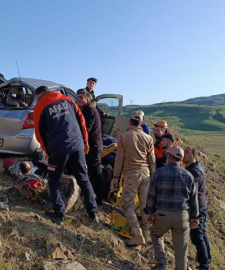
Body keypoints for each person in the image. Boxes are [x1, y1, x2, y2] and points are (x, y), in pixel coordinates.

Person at [33, 86, 98, 225]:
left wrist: (47, 151)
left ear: (38, 95)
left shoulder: (39, 107)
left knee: (54, 179)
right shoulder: (67, 99)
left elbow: (39, 133)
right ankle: (93, 213)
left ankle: (59, 215)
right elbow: (81, 121)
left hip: (58, 148)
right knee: (83, 178)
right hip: (77, 145)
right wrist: (85, 142)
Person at [144, 146, 199, 270]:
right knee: (181, 251)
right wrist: (195, 217)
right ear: (180, 160)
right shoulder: (189, 176)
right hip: (182, 216)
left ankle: (161, 261)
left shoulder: (158, 173)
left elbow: (151, 195)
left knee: (156, 235)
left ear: (168, 157)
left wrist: (149, 213)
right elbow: (194, 200)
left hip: (162, 214)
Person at [110, 111, 155, 246]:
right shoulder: (149, 138)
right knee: (145, 206)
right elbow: (152, 160)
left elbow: (119, 160)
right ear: (141, 123)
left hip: (131, 173)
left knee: (127, 204)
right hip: (146, 173)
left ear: (129, 122)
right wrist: (153, 177)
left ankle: (137, 235)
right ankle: (146, 236)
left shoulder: (123, 136)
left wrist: (115, 177)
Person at [184, 146, 211, 270]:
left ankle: (204, 265)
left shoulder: (194, 172)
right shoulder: (196, 168)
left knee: (197, 235)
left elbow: (192, 193)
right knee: (202, 233)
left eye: (187, 152)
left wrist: (193, 212)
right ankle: (207, 260)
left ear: (193, 156)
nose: (184, 154)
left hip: (198, 207)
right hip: (202, 205)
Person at [77, 90, 105, 206]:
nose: (79, 99)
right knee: (88, 171)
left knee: (96, 173)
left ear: (87, 100)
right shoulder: (83, 110)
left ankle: (100, 199)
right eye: (78, 97)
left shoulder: (89, 111)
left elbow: (85, 129)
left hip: (93, 146)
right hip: (88, 146)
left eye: (82, 97)